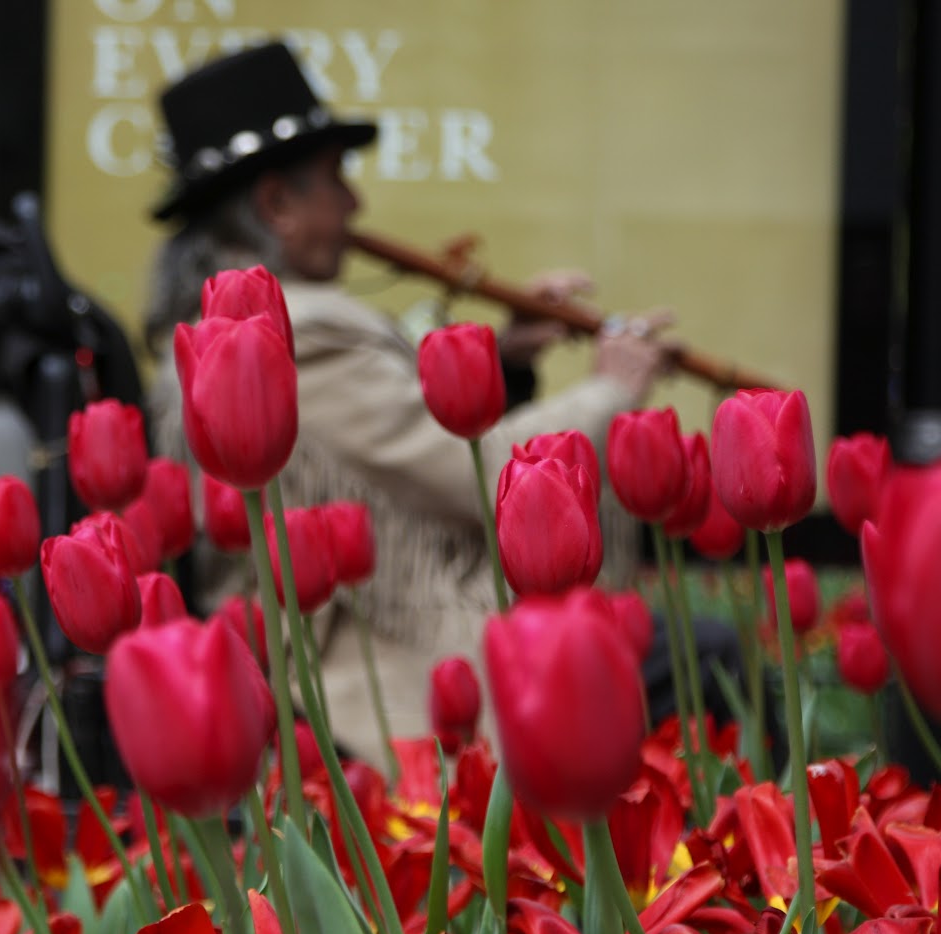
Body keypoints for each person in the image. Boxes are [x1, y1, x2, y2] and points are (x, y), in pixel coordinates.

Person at [144, 41, 677, 769]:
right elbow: (475, 475)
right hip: (364, 684)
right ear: (277, 205)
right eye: (336, 179)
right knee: (682, 662)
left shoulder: (251, 333)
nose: (355, 204)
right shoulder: (286, 340)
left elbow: (395, 436)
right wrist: (611, 387)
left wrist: (500, 362)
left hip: (356, 654)